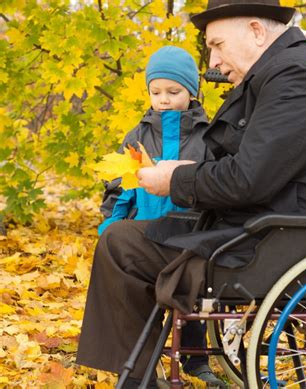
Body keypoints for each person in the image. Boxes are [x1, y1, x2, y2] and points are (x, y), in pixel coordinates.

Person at [77, 0, 306, 387]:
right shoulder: (285, 75)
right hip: (269, 228)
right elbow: (256, 166)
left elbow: (248, 179)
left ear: (255, 31)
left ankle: (139, 380)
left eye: (217, 45)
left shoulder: (297, 79)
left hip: (280, 243)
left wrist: (175, 181)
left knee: (121, 244)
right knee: (129, 234)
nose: (213, 61)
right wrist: (185, 172)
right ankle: (141, 374)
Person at [79, 46, 224, 387]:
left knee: (189, 304)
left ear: (192, 92)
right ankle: (144, 361)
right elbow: (120, 187)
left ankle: (195, 358)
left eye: (174, 92)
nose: (164, 100)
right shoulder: (139, 136)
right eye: (156, 92)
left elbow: (217, 184)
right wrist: (112, 223)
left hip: (189, 231)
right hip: (146, 228)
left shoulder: (207, 137)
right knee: (138, 293)